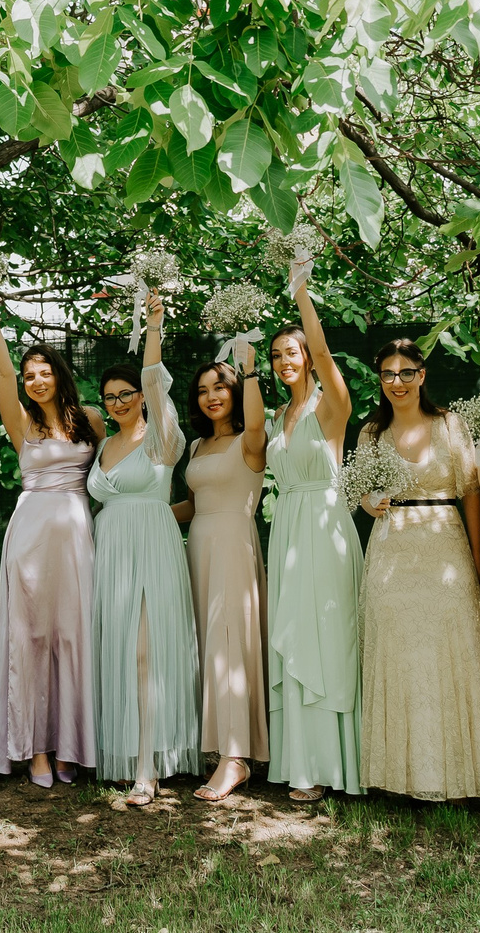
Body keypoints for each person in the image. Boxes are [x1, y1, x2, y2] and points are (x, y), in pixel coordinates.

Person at [354, 338, 480, 802]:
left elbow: (472, 492)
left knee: (449, 650)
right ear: (380, 380)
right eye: (388, 375)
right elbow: (361, 489)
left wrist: (477, 560)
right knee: (394, 649)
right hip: (391, 548)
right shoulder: (370, 433)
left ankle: (459, 780)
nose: (397, 382)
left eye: (406, 372)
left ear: (422, 375)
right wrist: (367, 501)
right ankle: (395, 779)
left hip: (444, 545)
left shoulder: (449, 424)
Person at [0, 290, 101, 788]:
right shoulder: (21, 422)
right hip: (30, 536)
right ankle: (35, 751)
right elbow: (3, 375)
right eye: (30, 374)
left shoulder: (90, 418)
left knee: (74, 635)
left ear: (58, 373)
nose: (35, 379)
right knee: (31, 637)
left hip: (76, 537)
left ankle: (72, 743)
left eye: (43, 370)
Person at [87, 289, 201, 806]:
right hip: (109, 552)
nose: (117, 403)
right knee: (116, 651)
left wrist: (152, 326)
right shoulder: (104, 444)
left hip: (152, 551)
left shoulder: (163, 437)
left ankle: (147, 765)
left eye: (125, 394)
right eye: (109, 396)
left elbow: (155, 382)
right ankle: (122, 749)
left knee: (145, 654)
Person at [263, 271, 361, 801]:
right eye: (278, 355)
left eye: (291, 352)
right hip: (287, 532)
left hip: (325, 526)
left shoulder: (330, 406)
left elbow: (324, 356)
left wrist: (300, 289)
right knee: (293, 631)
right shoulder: (280, 414)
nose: (285, 362)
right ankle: (301, 762)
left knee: (326, 636)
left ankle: (334, 763)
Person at [176, 343, 268, 801]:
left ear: (235, 390)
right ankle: (213, 747)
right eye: (202, 390)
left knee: (231, 642)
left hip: (233, 545)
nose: (211, 396)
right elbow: (193, 505)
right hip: (199, 549)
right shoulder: (195, 445)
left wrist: (249, 371)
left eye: (220, 387)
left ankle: (236, 757)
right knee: (207, 645)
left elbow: (254, 420)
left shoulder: (253, 438)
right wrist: (133, 515)